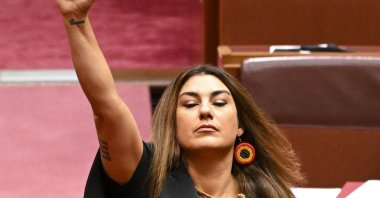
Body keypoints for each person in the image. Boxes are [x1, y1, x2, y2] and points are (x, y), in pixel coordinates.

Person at [56, 0, 305, 197]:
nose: (205, 111)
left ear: (240, 124)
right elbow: (106, 107)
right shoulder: (147, 177)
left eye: (219, 102)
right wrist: (75, 19)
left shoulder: (268, 192)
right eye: (190, 104)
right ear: (173, 123)